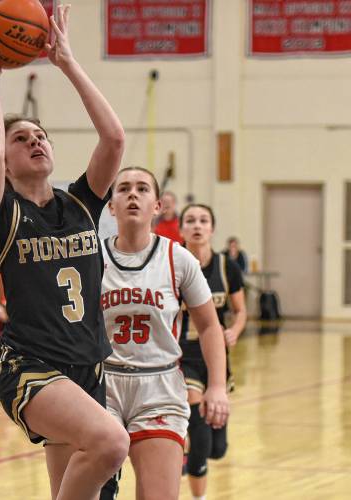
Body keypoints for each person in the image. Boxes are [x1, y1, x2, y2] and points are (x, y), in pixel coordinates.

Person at [0, 5, 130, 498]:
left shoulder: (80, 202)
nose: (34, 141)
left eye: (40, 136)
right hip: (31, 367)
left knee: (88, 491)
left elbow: (114, 138)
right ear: (10, 165)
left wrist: (68, 62)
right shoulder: (4, 211)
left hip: (89, 364)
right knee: (111, 443)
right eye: (22, 138)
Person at [99, 168, 230, 500]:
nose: (132, 194)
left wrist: (217, 386)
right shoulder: (92, 258)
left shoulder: (178, 258)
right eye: (123, 188)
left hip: (158, 386)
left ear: (157, 206)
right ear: (111, 206)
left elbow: (210, 325)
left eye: (142, 189)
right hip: (102, 384)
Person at [180, 204, 247, 500]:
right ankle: (199, 495)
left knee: (217, 448)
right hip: (182, 357)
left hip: (216, 358)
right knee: (201, 432)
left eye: (203, 220)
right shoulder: (172, 261)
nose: (197, 225)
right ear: (182, 229)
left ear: (212, 228)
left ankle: (184, 446)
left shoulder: (225, 266)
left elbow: (240, 310)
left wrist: (235, 330)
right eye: (190, 220)